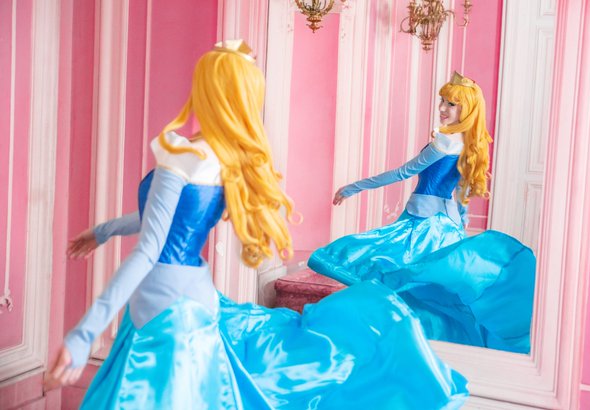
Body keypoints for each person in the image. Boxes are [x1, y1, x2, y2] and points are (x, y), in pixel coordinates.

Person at [45, 41, 468, 409]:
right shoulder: (226, 159)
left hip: (159, 304)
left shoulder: (181, 155)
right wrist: (103, 231)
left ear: (208, 89)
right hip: (197, 297)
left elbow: (150, 249)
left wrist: (83, 336)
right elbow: (164, 221)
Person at [308, 72, 536, 354]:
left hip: (423, 224)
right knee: (429, 289)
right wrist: (460, 224)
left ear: (466, 109)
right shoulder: (469, 142)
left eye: (451, 104)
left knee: (375, 265)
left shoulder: (445, 142)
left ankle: (398, 344)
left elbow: (403, 172)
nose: (442, 108)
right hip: (448, 225)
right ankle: (426, 345)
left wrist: (353, 187)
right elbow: (461, 193)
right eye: (442, 101)